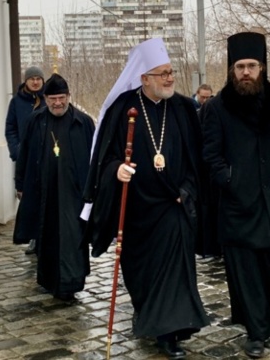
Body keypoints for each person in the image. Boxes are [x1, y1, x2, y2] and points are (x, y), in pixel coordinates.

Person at [83, 38, 209, 359]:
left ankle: (170, 333)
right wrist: (117, 171)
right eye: (162, 73)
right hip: (138, 210)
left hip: (173, 205)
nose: (170, 78)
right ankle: (150, 314)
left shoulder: (182, 107)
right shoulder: (124, 108)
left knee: (177, 272)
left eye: (171, 72)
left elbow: (198, 159)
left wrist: (187, 192)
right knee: (142, 276)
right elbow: (106, 158)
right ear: (144, 78)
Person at [201, 32, 270, 358]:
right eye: (240, 66)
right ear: (232, 70)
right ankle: (256, 330)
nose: (245, 72)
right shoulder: (217, 108)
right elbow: (210, 156)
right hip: (240, 205)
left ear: (262, 67)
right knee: (247, 272)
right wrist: (231, 180)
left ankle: (269, 315)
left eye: (251, 65)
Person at [15, 74, 95, 301]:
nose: (57, 103)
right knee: (47, 236)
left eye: (61, 98)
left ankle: (70, 284)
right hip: (45, 191)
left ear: (69, 96)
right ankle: (49, 281)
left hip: (74, 193)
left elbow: (94, 158)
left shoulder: (84, 122)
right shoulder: (35, 121)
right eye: (52, 99)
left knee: (73, 238)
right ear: (45, 98)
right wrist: (20, 183)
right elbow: (24, 154)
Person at [5, 66, 46, 255]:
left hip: (46, 155)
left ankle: (45, 237)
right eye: (32, 79)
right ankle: (33, 237)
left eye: (39, 78)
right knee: (29, 198)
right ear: (26, 81)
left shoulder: (49, 99)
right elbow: (11, 128)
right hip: (26, 158)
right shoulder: (17, 102)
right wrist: (17, 151)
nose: (36, 82)